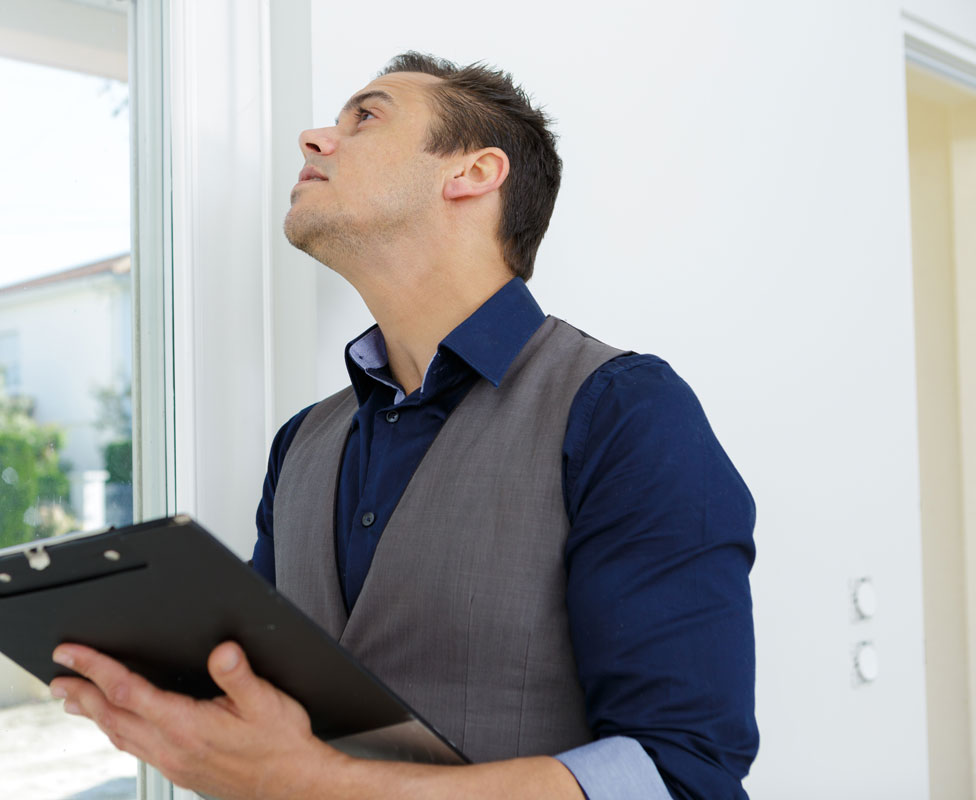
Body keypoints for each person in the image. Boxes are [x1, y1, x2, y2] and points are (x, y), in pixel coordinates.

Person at [49, 52, 759, 799]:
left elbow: (680, 774)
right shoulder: (302, 445)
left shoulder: (623, 409)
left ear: (474, 173)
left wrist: (320, 784)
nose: (314, 139)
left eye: (366, 117)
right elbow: (260, 717)